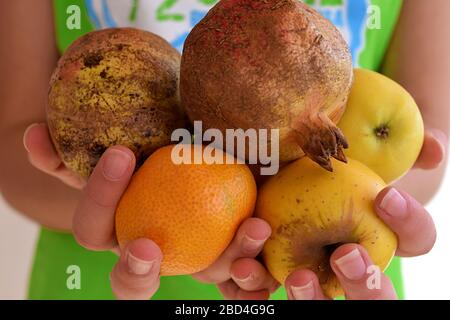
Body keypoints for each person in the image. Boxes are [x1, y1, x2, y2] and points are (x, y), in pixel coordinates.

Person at [0, 0, 448, 300]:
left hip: (335, 270)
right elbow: (12, 145)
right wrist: (140, 216)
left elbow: (430, 138)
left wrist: (388, 201)